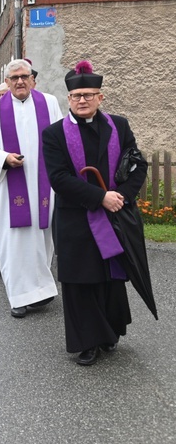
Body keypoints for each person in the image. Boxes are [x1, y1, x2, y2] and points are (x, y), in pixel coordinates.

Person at [42, 60, 148, 365]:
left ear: (100, 97)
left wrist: (122, 198)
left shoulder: (120, 125)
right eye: (76, 96)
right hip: (76, 217)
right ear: (69, 99)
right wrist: (101, 197)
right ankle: (86, 342)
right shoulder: (54, 135)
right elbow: (59, 178)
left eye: (89, 95)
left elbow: (137, 164)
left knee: (109, 277)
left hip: (115, 214)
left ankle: (109, 333)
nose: (82, 101)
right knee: (80, 279)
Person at [0, 59, 61, 318]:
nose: (20, 81)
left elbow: (62, 138)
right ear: (7, 82)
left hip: (44, 185)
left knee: (42, 235)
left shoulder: (50, 103)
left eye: (24, 76)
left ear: (33, 78)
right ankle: (18, 296)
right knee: (13, 240)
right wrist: (4, 159)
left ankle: (42, 290)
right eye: (14, 78)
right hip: (8, 187)